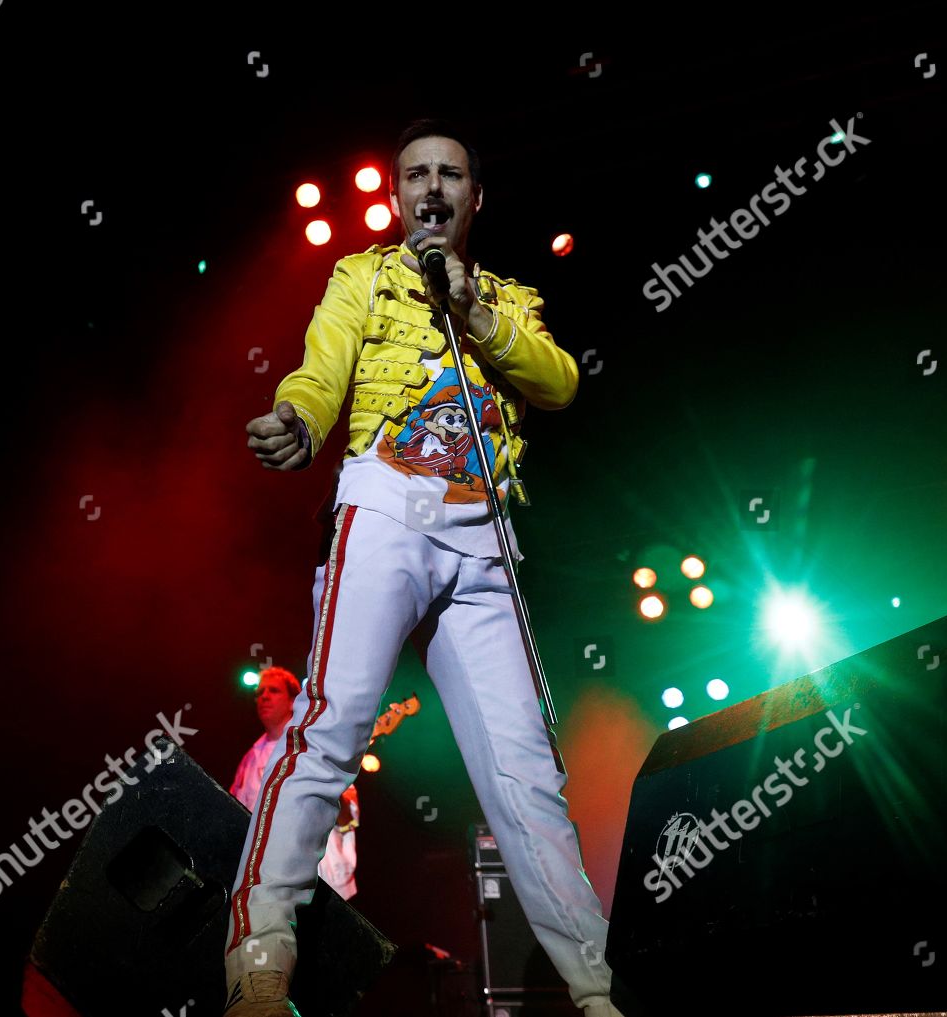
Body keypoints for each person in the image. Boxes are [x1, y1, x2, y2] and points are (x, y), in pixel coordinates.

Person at [227, 119, 624, 1017]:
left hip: (485, 539)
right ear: (399, 195)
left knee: (526, 773)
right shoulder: (362, 276)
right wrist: (299, 416)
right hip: (384, 509)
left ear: (473, 198)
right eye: (415, 174)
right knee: (330, 727)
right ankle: (259, 958)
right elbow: (322, 365)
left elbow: (557, 382)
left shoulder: (508, 299)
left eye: (450, 174)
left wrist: (474, 311)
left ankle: (596, 987)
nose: (432, 186)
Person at [229, 666, 359, 900]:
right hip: (272, 884)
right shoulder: (249, 760)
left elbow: (348, 818)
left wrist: (328, 788)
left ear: (292, 701)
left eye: (273, 691)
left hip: (323, 883)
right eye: (259, 693)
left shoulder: (316, 744)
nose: (264, 696)